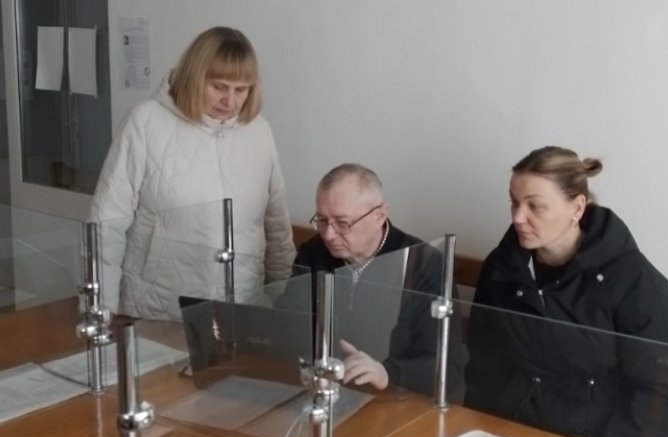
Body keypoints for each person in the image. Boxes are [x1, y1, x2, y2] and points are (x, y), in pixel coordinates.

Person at [464, 146, 668, 437]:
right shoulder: (503, 268)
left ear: (577, 207)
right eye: (514, 201)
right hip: (523, 436)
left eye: (535, 206)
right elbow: (484, 365)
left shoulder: (634, 280)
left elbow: (663, 394)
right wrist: (482, 434)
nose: (518, 217)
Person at [89, 26, 295, 320]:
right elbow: (106, 222)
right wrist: (100, 309)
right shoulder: (145, 123)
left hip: (242, 307)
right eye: (219, 87)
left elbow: (276, 226)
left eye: (241, 90)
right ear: (194, 77)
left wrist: (283, 303)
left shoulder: (259, 131)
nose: (230, 101)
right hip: (161, 309)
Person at [292, 163, 465, 395]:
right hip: (323, 387)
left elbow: (448, 367)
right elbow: (288, 322)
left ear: (379, 216)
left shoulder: (425, 265)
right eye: (322, 220)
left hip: (397, 396)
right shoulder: (313, 253)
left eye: (342, 223)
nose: (329, 235)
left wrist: (388, 373)